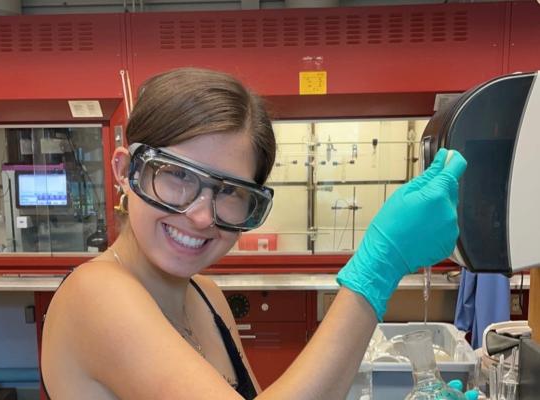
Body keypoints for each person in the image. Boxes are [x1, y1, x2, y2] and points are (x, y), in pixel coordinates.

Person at [41, 67, 467, 399]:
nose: (201, 216)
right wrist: (379, 264)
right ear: (124, 171)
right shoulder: (94, 294)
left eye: (230, 192)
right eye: (175, 176)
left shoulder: (206, 296)